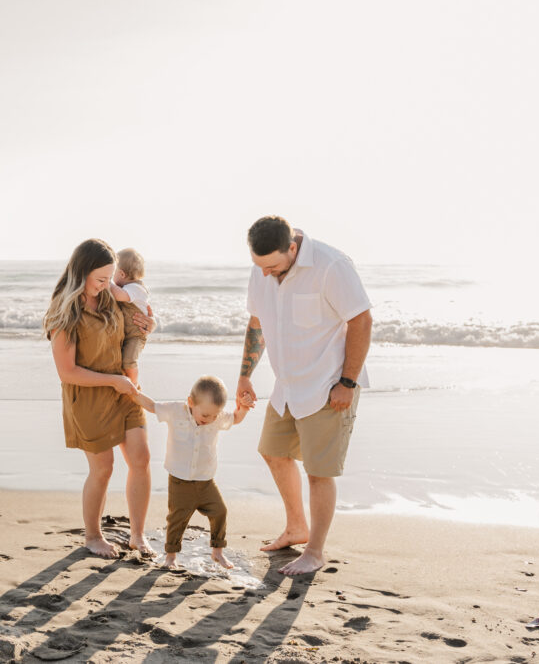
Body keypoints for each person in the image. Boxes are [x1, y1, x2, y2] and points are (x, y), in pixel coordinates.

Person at [237, 216, 372, 575]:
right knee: (273, 451)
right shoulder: (262, 269)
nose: (265, 274)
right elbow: (257, 323)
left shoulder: (331, 265)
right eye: (258, 266)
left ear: (292, 248)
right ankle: (297, 527)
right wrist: (244, 376)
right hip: (287, 386)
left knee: (318, 472)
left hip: (328, 385)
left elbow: (361, 321)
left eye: (272, 266)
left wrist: (348, 382)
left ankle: (314, 552)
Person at [44, 238, 156, 558]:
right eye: (101, 279)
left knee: (141, 459)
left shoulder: (108, 297)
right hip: (89, 396)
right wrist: (114, 381)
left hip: (122, 390)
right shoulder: (63, 312)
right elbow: (67, 373)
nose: (107, 285)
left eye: (110, 278)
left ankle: (137, 535)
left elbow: (135, 330)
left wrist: (149, 325)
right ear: (82, 273)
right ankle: (93, 536)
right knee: (103, 468)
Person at [131, 376, 251, 570]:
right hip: (180, 481)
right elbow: (153, 406)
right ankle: (171, 556)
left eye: (214, 416)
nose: (210, 420)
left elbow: (235, 418)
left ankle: (217, 552)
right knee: (177, 519)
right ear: (190, 402)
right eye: (205, 416)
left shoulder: (216, 417)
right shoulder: (175, 411)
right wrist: (134, 393)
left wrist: (243, 408)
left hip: (205, 481)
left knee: (220, 511)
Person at [110, 248, 150, 388]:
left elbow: (120, 295)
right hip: (128, 333)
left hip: (136, 335)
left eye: (112, 274)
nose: (111, 277)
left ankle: (133, 384)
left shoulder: (135, 288)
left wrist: (107, 282)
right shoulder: (129, 287)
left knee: (129, 360)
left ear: (121, 273)